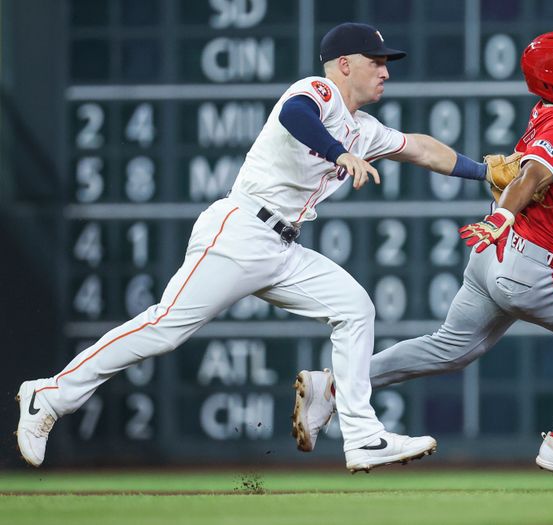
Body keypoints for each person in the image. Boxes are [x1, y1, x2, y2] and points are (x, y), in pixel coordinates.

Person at [16, 22, 489, 473]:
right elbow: (294, 115)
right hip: (241, 231)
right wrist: (339, 153)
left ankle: (362, 436)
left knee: (355, 308)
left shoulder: (364, 128)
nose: (386, 70)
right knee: (163, 329)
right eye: (376, 61)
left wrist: (486, 173)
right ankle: (50, 394)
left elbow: (422, 148)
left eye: (387, 62)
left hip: (283, 250)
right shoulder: (317, 92)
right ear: (343, 64)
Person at [292, 31, 553, 482]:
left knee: (450, 348)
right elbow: (531, 175)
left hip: (493, 263)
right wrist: (502, 216)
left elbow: (547, 173)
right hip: (529, 266)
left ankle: (333, 387)